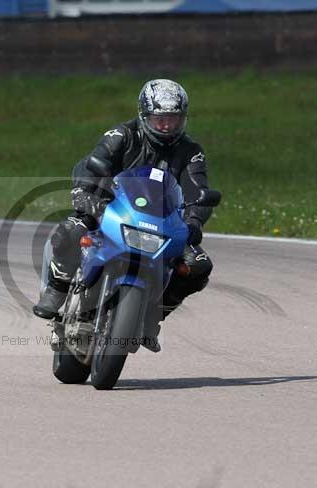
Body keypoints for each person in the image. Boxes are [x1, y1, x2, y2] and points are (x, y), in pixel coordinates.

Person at [32, 79, 214, 352]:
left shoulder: (191, 152)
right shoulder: (121, 135)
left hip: (162, 222)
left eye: (173, 120)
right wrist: (85, 194)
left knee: (198, 265)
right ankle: (57, 289)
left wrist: (194, 221)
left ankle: (154, 315)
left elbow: (198, 192)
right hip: (109, 209)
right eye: (159, 119)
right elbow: (92, 164)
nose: (166, 126)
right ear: (144, 115)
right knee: (69, 232)